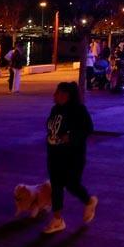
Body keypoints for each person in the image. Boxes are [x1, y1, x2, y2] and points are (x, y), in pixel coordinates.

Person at [43, 82, 98, 234]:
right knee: (56, 186)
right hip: (54, 154)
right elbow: (52, 127)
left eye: (59, 93)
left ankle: (89, 201)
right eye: (56, 92)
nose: (55, 96)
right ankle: (57, 219)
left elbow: (88, 129)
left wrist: (71, 136)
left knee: (71, 184)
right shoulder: (55, 109)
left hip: (73, 156)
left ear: (68, 96)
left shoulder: (79, 110)